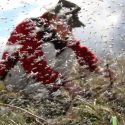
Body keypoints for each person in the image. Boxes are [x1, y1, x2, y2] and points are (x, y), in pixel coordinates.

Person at [0, 0, 115, 98]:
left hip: (35, 77)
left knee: (70, 51)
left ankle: (48, 91)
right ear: (55, 18)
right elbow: (32, 62)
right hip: (13, 78)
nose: (70, 29)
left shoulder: (60, 33)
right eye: (68, 24)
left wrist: (98, 69)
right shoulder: (29, 26)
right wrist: (65, 83)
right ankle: (35, 94)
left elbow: (80, 51)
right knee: (48, 47)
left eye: (72, 25)